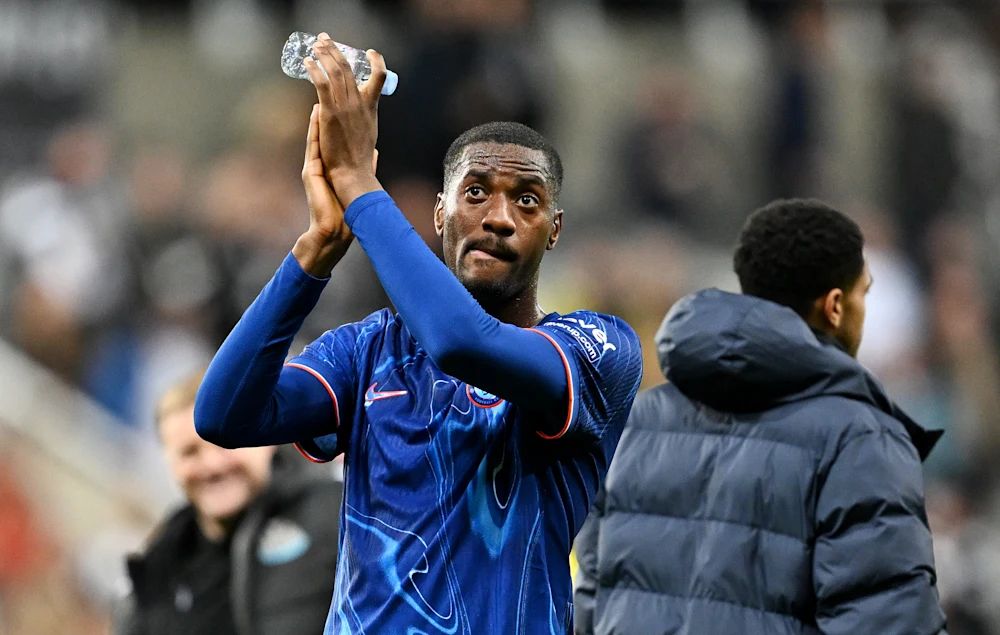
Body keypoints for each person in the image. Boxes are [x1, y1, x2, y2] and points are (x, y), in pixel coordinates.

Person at [194, 35, 642, 634]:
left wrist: (361, 188)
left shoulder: (596, 349)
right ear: (438, 214)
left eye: (527, 201)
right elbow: (222, 415)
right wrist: (314, 254)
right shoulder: (367, 350)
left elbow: (463, 344)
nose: (500, 218)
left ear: (554, 230)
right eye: (476, 192)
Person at [574, 199, 947, 634]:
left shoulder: (636, 421)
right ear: (835, 306)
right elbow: (888, 621)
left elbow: (590, 605)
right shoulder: (860, 437)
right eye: (864, 292)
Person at [114, 371, 343, 635]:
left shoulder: (337, 514)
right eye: (190, 452)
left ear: (267, 438)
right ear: (168, 462)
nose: (212, 466)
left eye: (228, 444)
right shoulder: (154, 569)